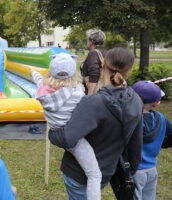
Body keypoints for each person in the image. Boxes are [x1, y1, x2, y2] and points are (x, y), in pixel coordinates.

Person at [48, 47, 143, 200]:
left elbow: (66, 138)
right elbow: (136, 144)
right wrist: (130, 171)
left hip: (78, 175)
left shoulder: (93, 102)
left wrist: (52, 131)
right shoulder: (136, 100)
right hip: (106, 172)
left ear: (102, 64)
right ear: (130, 70)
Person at [31, 53, 102, 200]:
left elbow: (38, 79)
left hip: (55, 132)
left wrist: (33, 72)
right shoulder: (78, 93)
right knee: (94, 174)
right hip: (72, 138)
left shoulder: (43, 90)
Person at [131, 81, 172, 200]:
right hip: (151, 170)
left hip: (134, 172)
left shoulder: (130, 120)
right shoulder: (161, 119)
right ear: (156, 103)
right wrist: (161, 143)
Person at [80, 29, 107, 95]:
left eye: (87, 40)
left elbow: (94, 73)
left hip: (95, 92)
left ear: (91, 41)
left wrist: (90, 93)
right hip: (105, 89)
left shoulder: (93, 53)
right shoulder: (107, 52)